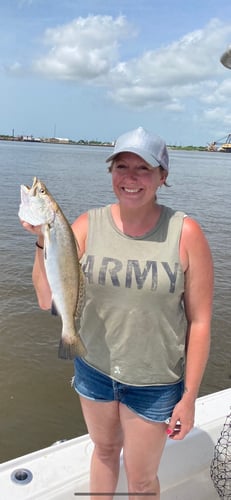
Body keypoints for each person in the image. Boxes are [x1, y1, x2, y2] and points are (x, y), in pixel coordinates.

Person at [21, 126, 214, 499]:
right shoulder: (86, 225)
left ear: (162, 176)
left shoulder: (186, 233)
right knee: (105, 452)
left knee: (142, 481)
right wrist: (43, 240)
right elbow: (47, 299)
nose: (130, 178)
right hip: (94, 371)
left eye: (143, 168)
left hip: (155, 383)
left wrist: (189, 396)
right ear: (110, 172)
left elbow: (202, 321)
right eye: (121, 166)